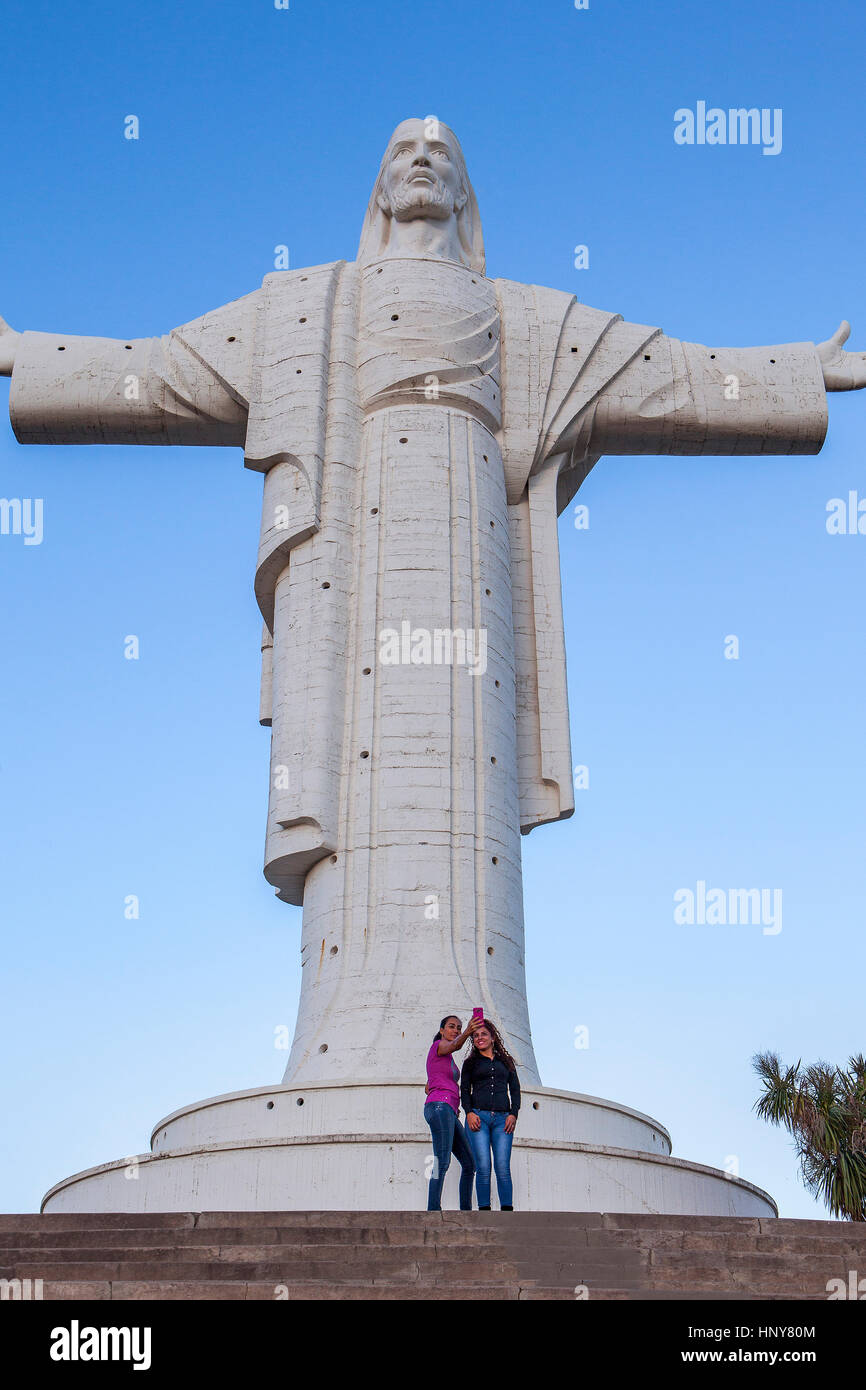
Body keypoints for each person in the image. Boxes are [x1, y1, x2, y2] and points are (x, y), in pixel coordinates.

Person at [461, 1019, 520, 1210]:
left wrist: (513, 1114)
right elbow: (464, 1090)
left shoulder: (507, 1062)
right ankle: (484, 1212)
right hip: (479, 1117)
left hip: (503, 1119)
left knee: (502, 1167)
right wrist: (469, 1113)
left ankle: (507, 1211)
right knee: (483, 1167)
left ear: (493, 1038)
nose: (479, 1038)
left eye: (483, 1034)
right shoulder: (470, 1063)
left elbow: (515, 1090)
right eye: (476, 1035)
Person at [423, 1014, 479, 1211]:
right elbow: (455, 1045)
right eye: (451, 1026)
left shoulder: (445, 1058)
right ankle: (433, 1209)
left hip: (448, 1110)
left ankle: (466, 1211)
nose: (455, 1030)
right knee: (442, 1160)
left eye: (458, 1027)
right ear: (441, 1030)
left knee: (470, 1163)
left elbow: (429, 1084)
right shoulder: (437, 1047)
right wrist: (468, 1032)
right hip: (440, 1107)